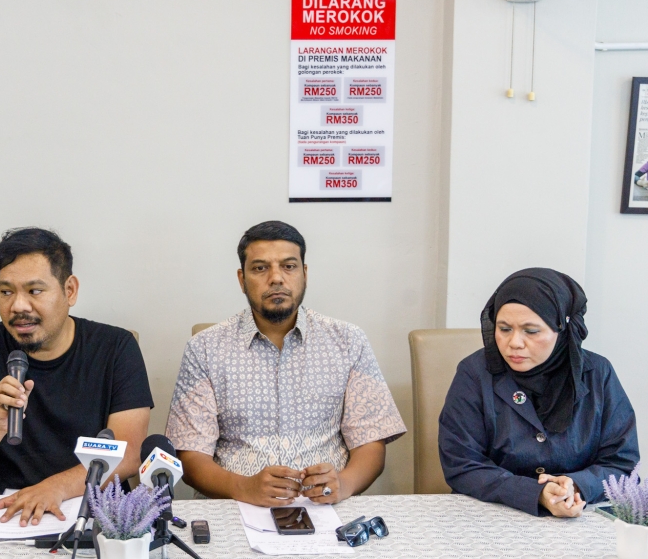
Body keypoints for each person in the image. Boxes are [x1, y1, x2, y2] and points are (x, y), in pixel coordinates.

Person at [165, 221, 406, 507]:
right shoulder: (205, 348)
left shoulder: (348, 341)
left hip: (327, 507)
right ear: (242, 279)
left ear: (304, 274)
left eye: (289, 266)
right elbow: (190, 454)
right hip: (234, 505)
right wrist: (244, 487)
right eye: (260, 268)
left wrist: (344, 483)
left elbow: (371, 441)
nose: (276, 278)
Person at [0, 228, 152, 526]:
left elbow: (128, 455)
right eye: (6, 291)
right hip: (1, 515)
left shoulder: (116, 348)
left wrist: (56, 488)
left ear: (69, 290)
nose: (18, 306)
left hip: (89, 511)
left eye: (34, 291)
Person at [438, 268, 638, 517]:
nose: (514, 343)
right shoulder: (475, 373)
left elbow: (622, 462)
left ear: (561, 329)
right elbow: (461, 463)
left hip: (579, 518)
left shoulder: (597, 374)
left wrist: (576, 485)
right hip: (489, 519)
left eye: (531, 331)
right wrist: (535, 493)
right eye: (504, 328)